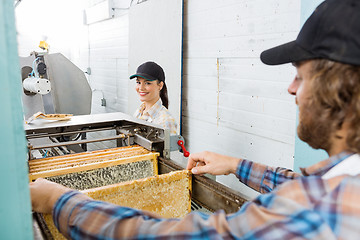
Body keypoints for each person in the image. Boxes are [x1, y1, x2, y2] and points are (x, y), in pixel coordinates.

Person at [30, 0, 360, 239]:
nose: (291, 89)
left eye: (301, 77)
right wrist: (234, 163)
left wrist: (61, 201)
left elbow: (169, 235)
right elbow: (297, 184)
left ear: (343, 89)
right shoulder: (343, 181)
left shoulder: (319, 208)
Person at [130, 61, 177, 134]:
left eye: (147, 83)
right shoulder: (139, 111)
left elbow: (169, 146)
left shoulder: (165, 121)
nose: (141, 88)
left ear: (160, 85)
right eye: (138, 82)